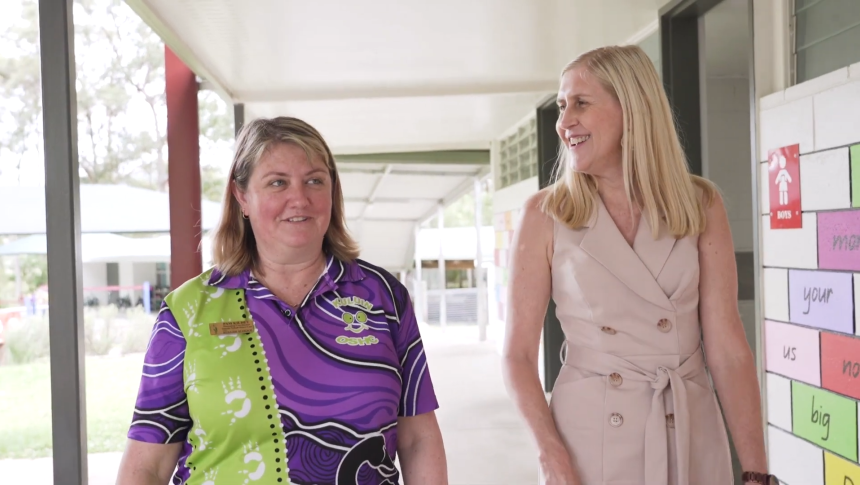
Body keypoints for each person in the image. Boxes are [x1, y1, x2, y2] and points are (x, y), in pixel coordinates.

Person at [116, 116, 448, 485]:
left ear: (332, 192)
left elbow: (418, 438)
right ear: (242, 196)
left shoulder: (384, 297)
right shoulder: (187, 311)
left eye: (314, 181)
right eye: (278, 182)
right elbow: (147, 465)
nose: (299, 198)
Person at [501, 45, 775, 485]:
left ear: (633, 108)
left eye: (581, 103)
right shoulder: (544, 215)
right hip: (587, 441)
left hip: (689, 429)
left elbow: (727, 350)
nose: (564, 120)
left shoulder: (700, 204)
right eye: (561, 105)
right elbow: (516, 357)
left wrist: (758, 472)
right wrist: (551, 455)